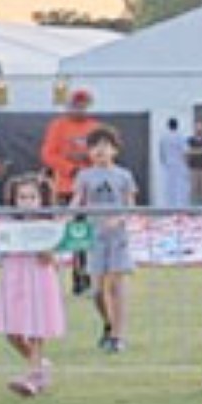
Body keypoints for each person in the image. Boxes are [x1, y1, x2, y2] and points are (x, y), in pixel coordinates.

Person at [0, 174, 67, 396]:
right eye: (22, 197)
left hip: (39, 276)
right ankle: (40, 366)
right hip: (15, 276)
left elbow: (57, 256)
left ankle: (33, 377)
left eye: (32, 197)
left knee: (36, 328)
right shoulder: (8, 224)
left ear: (41, 199)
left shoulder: (49, 225)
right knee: (11, 331)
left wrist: (49, 254)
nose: (27, 202)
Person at [72, 125, 139, 354]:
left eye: (105, 146)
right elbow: (78, 200)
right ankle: (108, 323)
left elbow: (130, 204)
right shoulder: (84, 176)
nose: (100, 151)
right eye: (95, 147)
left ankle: (118, 335)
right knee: (98, 291)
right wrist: (68, 215)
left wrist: (119, 219)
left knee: (116, 285)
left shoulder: (124, 175)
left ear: (115, 150)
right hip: (95, 237)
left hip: (117, 238)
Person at [42, 89, 98, 295]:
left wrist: (90, 161)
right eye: (76, 105)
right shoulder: (58, 126)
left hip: (90, 189)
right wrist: (70, 169)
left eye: (83, 105)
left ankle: (83, 279)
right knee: (69, 234)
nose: (79, 109)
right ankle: (59, 279)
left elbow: (103, 152)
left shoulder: (94, 127)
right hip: (66, 189)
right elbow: (48, 154)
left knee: (85, 235)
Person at [156, 115, 193, 210]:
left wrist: (164, 163)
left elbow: (161, 153)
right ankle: (180, 208)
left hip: (168, 165)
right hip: (180, 165)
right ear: (177, 126)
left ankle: (169, 207)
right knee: (180, 188)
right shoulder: (181, 137)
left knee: (168, 188)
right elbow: (185, 152)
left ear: (168, 126)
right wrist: (188, 165)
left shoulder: (164, 137)